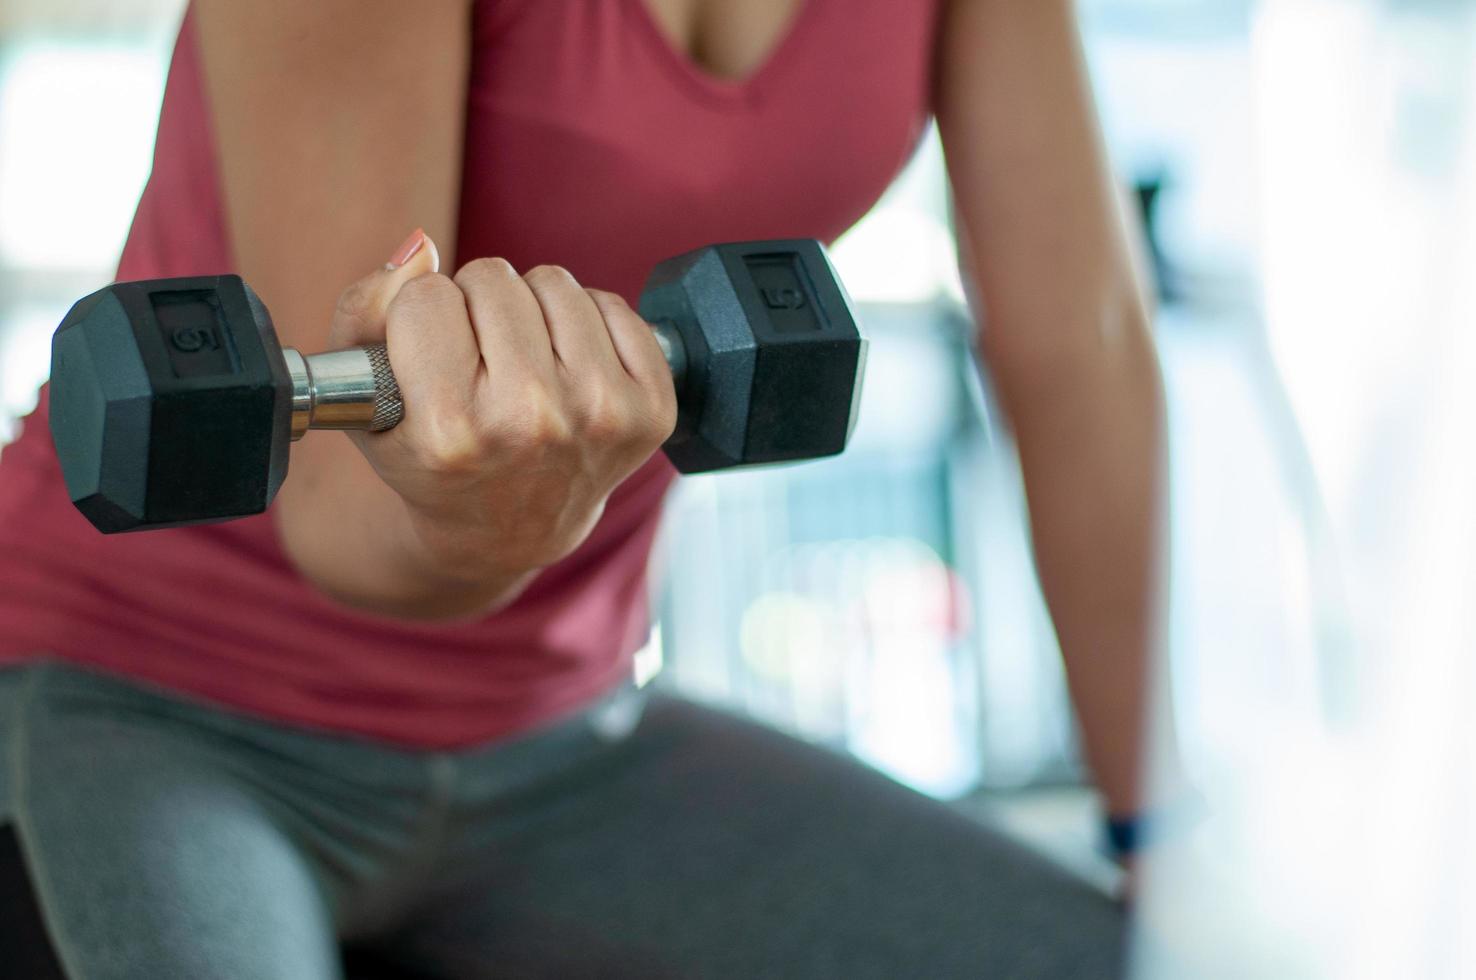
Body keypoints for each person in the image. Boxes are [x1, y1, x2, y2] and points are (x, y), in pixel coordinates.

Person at [0, 1, 1168, 976]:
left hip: (563, 734)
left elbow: (1083, 344)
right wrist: (496, 521)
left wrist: (1149, 821)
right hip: (147, 697)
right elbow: (347, 513)